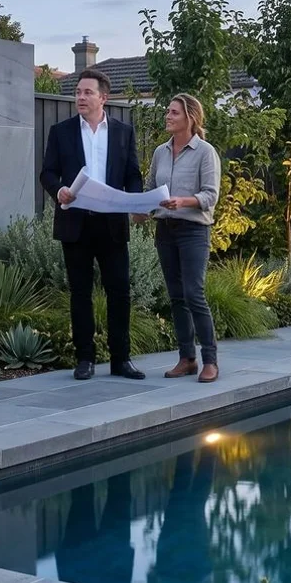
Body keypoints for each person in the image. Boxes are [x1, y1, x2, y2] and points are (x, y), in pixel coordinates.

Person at [39, 68, 146, 380]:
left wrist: (136, 201)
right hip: (76, 223)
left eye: (87, 92)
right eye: (78, 93)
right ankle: (84, 359)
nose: (80, 98)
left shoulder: (124, 132)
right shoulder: (60, 131)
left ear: (104, 97)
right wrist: (57, 190)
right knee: (80, 293)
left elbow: (133, 175)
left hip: (112, 224)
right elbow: (47, 172)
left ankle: (121, 360)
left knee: (119, 292)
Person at [133, 93, 221, 383]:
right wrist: (141, 209)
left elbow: (211, 195)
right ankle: (187, 359)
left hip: (194, 231)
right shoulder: (160, 152)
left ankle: (210, 360)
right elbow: (150, 188)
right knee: (176, 298)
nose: (167, 116)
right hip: (165, 231)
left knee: (194, 294)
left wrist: (183, 201)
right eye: (167, 112)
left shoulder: (205, 152)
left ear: (190, 118)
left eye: (173, 112)